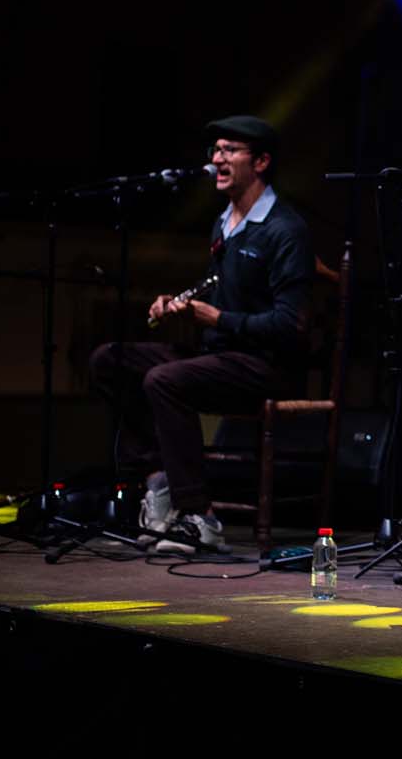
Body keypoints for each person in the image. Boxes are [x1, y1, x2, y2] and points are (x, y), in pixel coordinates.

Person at [89, 115, 313, 554]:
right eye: (215, 150)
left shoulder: (285, 230)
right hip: (218, 354)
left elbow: (291, 324)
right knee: (109, 360)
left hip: (266, 365)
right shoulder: (224, 223)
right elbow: (219, 289)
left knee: (165, 379)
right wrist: (181, 304)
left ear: (262, 162)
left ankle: (200, 516)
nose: (217, 159)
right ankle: (158, 481)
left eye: (230, 150)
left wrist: (219, 319)